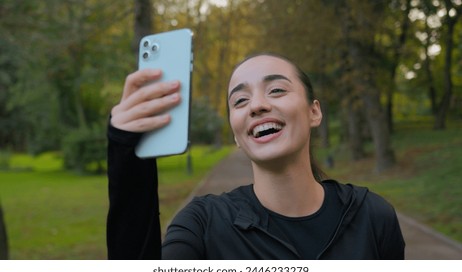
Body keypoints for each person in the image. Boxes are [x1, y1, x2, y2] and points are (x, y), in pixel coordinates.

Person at [107, 52, 405, 260]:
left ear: (314, 111)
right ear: (237, 135)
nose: (257, 105)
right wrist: (127, 153)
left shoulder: (373, 216)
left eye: (276, 90)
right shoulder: (203, 225)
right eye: (240, 100)